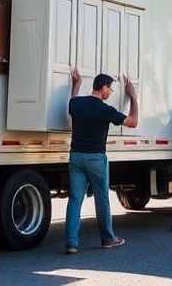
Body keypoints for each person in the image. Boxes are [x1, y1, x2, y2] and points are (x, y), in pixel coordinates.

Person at [65, 69, 139, 254]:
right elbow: (133, 122)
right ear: (104, 87)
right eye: (110, 89)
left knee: (75, 200)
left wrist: (76, 85)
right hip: (96, 159)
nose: (110, 93)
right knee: (102, 199)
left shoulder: (76, 104)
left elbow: (72, 100)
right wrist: (133, 97)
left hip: (76, 157)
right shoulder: (105, 110)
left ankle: (72, 243)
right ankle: (108, 238)